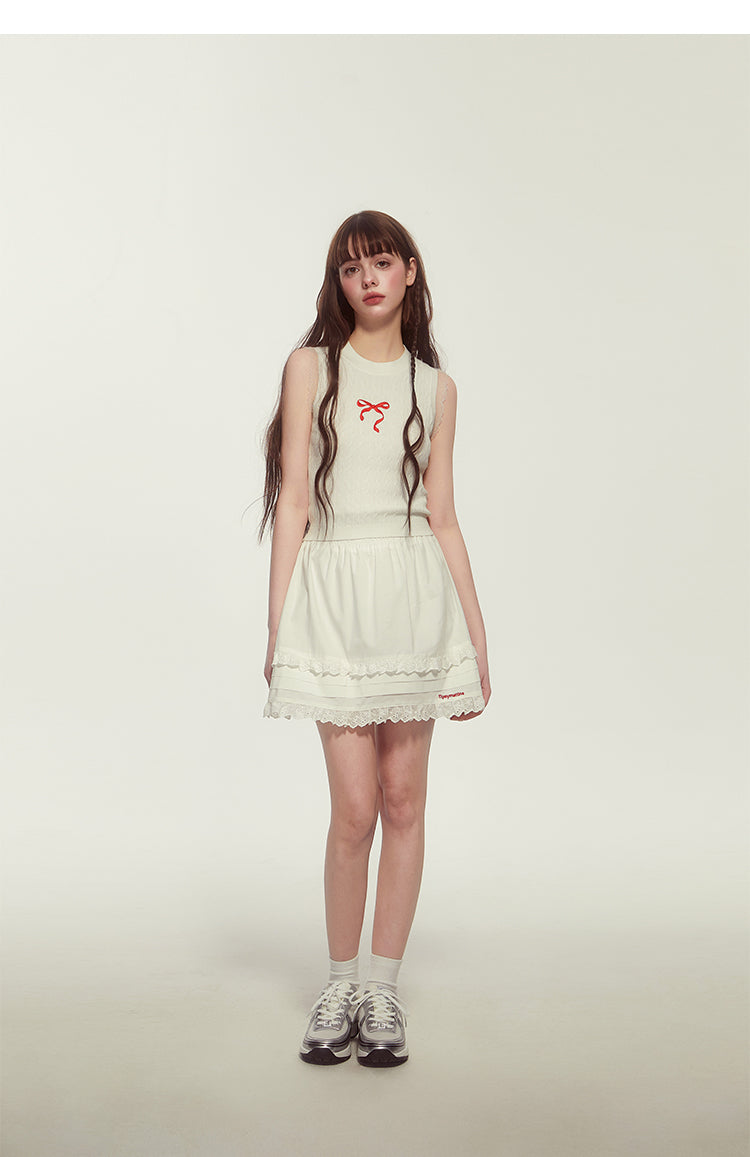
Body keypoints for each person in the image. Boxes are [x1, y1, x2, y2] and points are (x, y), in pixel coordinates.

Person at [258, 210, 491, 1067]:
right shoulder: (310, 368)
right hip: (334, 599)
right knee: (353, 808)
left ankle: (382, 989)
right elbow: (293, 500)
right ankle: (339, 982)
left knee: (403, 801)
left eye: (383, 263)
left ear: (409, 271)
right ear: (340, 283)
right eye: (353, 268)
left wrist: (475, 637)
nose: (369, 279)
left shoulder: (437, 388)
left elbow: (444, 516)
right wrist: (279, 623)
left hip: (414, 599)